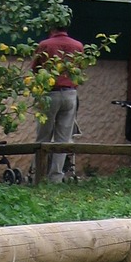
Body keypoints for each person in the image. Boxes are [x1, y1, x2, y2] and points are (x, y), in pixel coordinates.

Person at [32, 25, 85, 184]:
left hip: (49, 93)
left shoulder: (44, 45)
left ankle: (39, 176)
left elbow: (35, 69)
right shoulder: (78, 46)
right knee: (63, 139)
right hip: (70, 93)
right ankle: (55, 177)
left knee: (43, 136)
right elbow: (79, 70)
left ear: (51, 28)